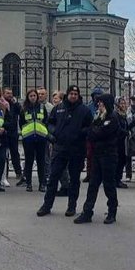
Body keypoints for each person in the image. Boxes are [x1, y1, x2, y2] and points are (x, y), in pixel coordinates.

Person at [37, 85, 93, 217]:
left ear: (78, 95)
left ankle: (71, 206)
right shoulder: (59, 108)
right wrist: (54, 133)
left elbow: (90, 127)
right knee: (53, 178)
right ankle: (46, 205)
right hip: (60, 148)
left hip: (76, 149)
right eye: (71, 93)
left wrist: (80, 133)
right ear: (67, 95)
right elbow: (49, 123)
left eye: (75, 93)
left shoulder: (84, 110)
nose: (73, 96)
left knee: (74, 180)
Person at [75, 93, 121, 224]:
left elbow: (100, 133)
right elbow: (91, 132)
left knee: (109, 185)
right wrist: (93, 130)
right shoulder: (99, 117)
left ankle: (112, 212)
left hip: (109, 155)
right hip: (97, 154)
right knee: (93, 185)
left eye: (101, 102)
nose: (99, 105)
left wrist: (94, 131)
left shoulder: (112, 117)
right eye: (98, 103)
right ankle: (87, 212)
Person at [19, 89, 49, 193]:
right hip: (28, 138)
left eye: (34, 96)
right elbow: (21, 122)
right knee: (29, 161)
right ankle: (29, 184)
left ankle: (42, 184)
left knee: (41, 162)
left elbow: (46, 120)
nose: (33, 97)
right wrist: (24, 132)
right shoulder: (24, 109)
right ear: (28, 97)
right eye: (31, 96)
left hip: (41, 138)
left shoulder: (41, 107)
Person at [1, 87, 25, 187]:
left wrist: (16, 103)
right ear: (3, 94)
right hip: (4, 132)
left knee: (15, 153)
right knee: (4, 154)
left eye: (11, 93)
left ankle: (18, 172)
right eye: (7, 93)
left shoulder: (14, 104)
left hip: (13, 132)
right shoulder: (1, 103)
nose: (10, 95)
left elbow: (21, 112)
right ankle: (3, 174)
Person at [114, 96, 130, 188]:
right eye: (121, 103)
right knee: (119, 160)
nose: (123, 105)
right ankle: (116, 179)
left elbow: (125, 127)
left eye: (124, 103)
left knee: (122, 160)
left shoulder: (123, 115)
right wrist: (126, 132)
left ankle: (117, 178)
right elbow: (118, 128)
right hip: (117, 141)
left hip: (122, 141)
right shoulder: (116, 114)